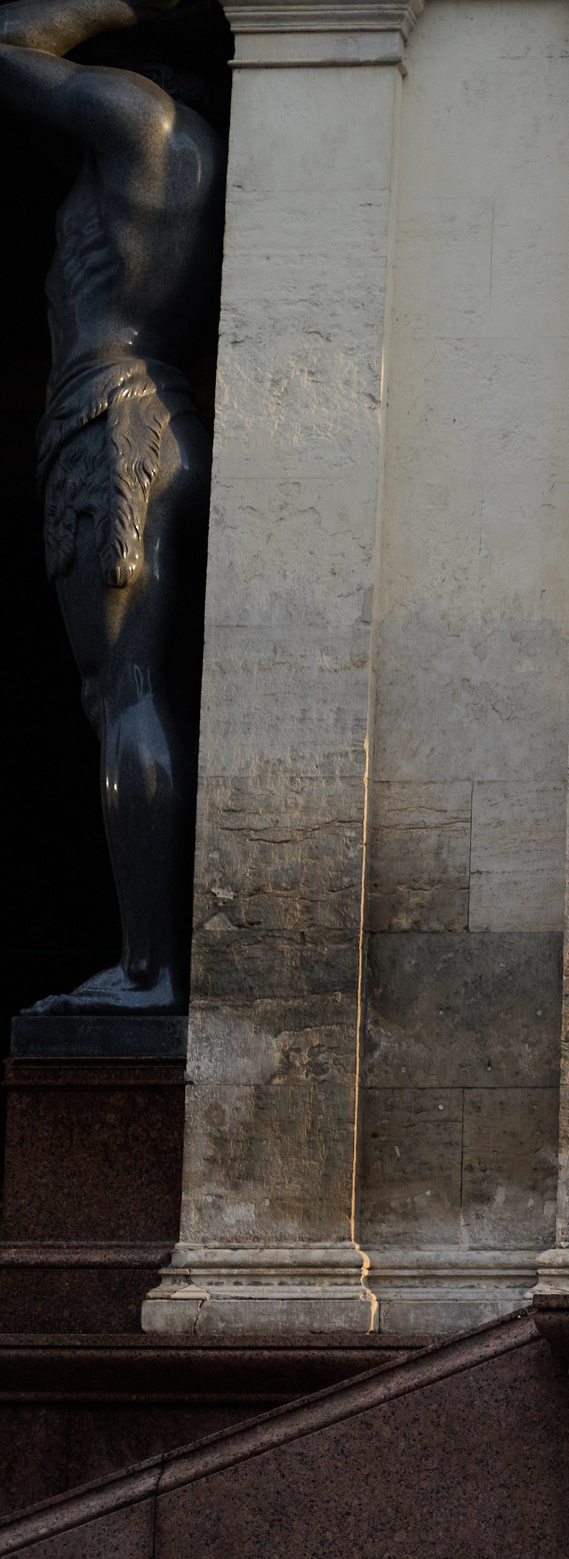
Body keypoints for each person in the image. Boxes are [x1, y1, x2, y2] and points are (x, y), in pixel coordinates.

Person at [0, 0, 220, 1015]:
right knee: (135, 687)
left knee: (122, 688)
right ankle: (149, 961)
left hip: (108, 412)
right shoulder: (188, 151)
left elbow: (9, 40)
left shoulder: (144, 122)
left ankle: (145, 969)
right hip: (152, 410)